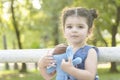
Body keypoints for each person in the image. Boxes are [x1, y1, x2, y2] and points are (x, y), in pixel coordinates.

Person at [38, 7, 99, 80]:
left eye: (80, 27)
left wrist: (71, 70)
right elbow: (48, 77)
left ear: (89, 31)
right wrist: (41, 66)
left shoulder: (90, 51)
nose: (74, 30)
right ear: (64, 31)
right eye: (69, 27)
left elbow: (90, 76)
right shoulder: (61, 51)